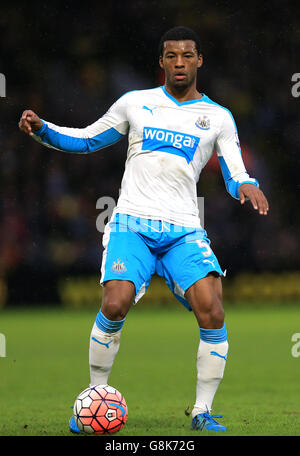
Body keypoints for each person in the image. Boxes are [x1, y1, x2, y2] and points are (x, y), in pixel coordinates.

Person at [18, 26, 269, 432]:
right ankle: (93, 401)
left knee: (213, 310)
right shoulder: (136, 104)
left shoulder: (218, 117)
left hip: (184, 230)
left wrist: (247, 185)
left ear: (199, 60)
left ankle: (202, 413)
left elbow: (233, 170)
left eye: (187, 55)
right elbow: (86, 140)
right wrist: (44, 128)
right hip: (132, 223)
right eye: (171, 56)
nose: (180, 62)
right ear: (162, 62)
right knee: (114, 304)